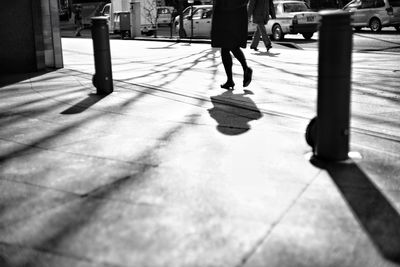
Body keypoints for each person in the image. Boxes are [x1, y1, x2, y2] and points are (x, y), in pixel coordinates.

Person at [211, 0, 253, 90]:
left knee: (227, 46)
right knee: (230, 46)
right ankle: (241, 71)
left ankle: (233, 78)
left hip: (229, 16)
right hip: (231, 15)